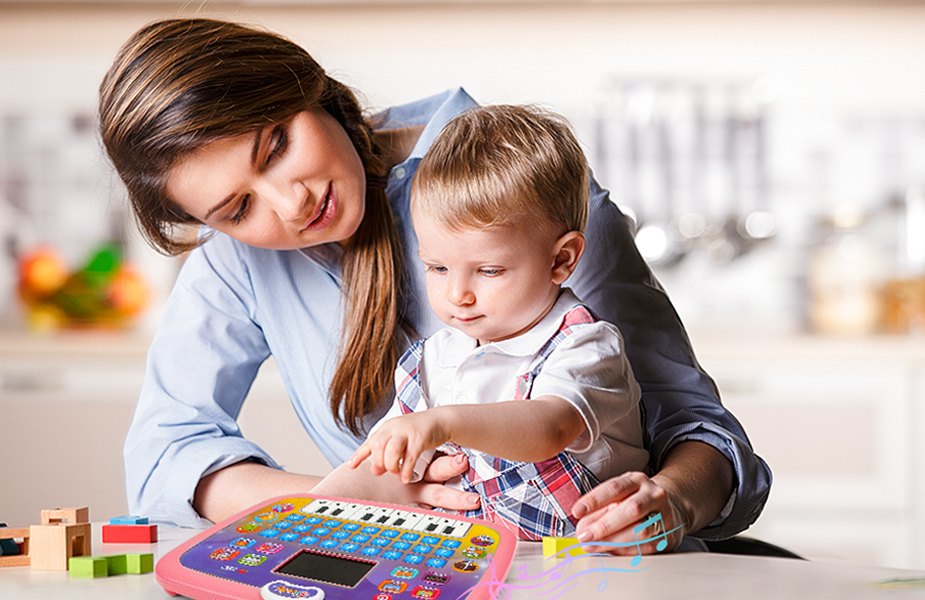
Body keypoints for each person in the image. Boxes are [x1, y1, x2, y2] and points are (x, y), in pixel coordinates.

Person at [99, 18, 770, 554]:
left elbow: (703, 435)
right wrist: (352, 502)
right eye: (237, 209)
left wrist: (675, 501)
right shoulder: (238, 259)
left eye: (274, 145)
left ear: (301, 82)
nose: (289, 202)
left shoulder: (516, 196)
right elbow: (164, 461)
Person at [312, 104, 648, 541]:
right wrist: (310, 515)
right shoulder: (433, 360)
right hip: (476, 568)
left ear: (561, 259)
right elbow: (378, 470)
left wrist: (443, 421)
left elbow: (550, 427)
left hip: (589, 569)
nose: (458, 295)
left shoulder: (585, 344)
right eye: (437, 268)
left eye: (488, 271)